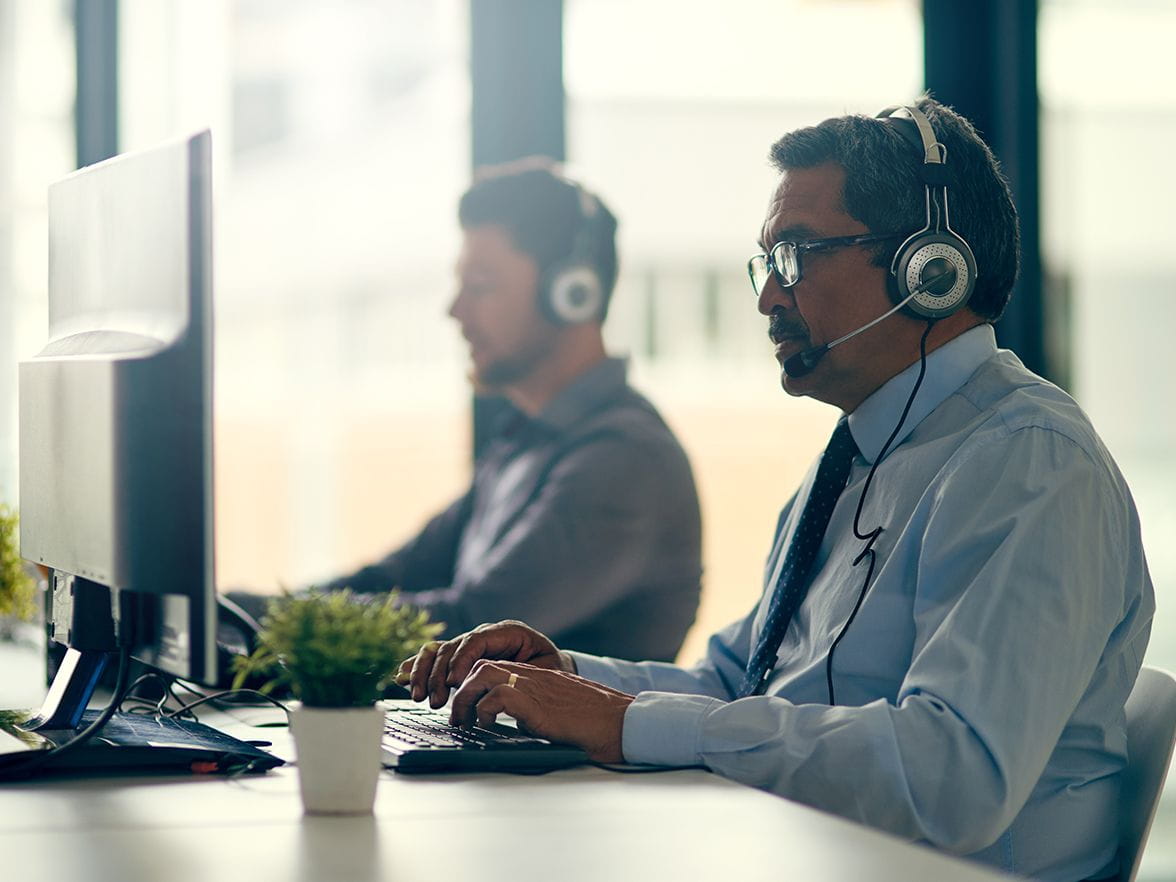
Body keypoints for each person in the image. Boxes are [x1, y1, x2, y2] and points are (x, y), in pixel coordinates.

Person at [398, 99, 1154, 882]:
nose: (767, 297)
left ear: (928, 268)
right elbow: (740, 681)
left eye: (796, 256)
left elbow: (953, 778)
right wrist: (570, 681)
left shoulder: (1028, 464)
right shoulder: (853, 459)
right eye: (766, 263)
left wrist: (628, 723)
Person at [227, 159, 702, 663]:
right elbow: (392, 579)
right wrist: (246, 613)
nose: (455, 310)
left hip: (554, 746)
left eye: (481, 285)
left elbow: (472, 624)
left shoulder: (624, 462)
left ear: (571, 294)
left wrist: (260, 623)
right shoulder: (526, 441)